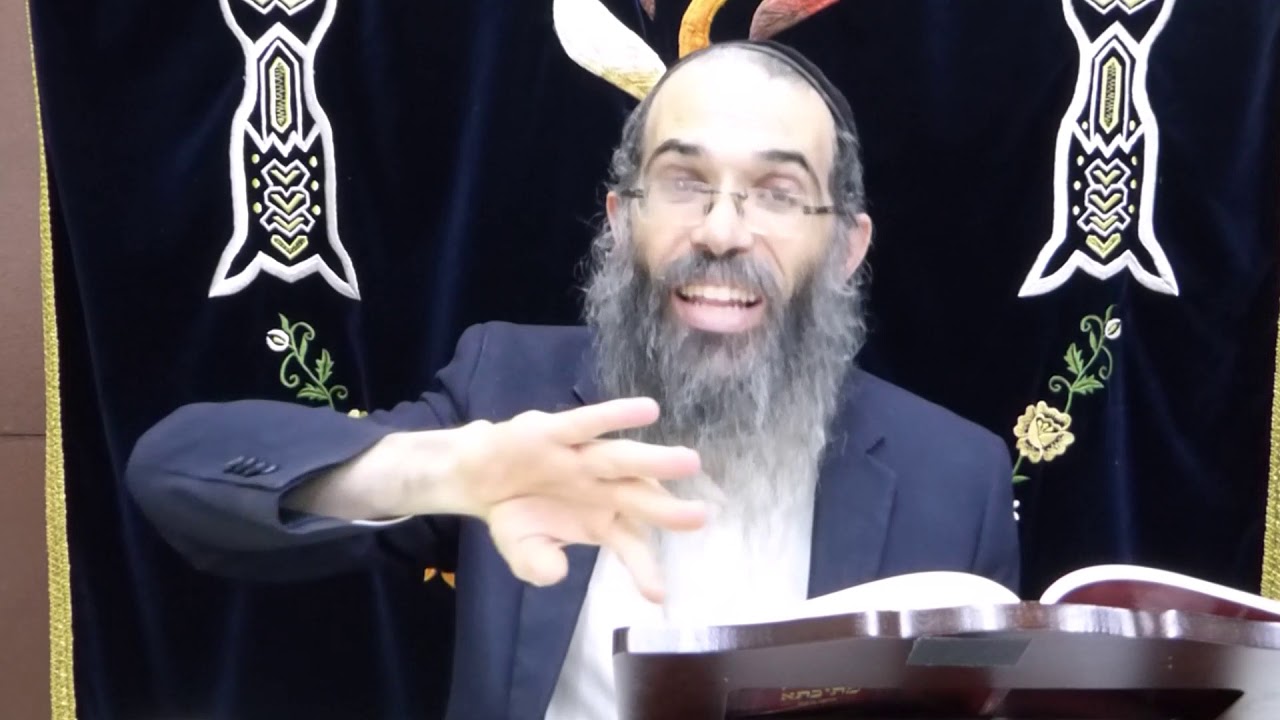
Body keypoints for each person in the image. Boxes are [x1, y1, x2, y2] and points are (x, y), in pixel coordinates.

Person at [126, 40, 1019, 720]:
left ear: (846, 249)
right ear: (622, 219)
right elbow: (178, 474)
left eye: (778, 193)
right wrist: (445, 471)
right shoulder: (512, 390)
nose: (721, 231)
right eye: (684, 182)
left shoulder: (955, 479)